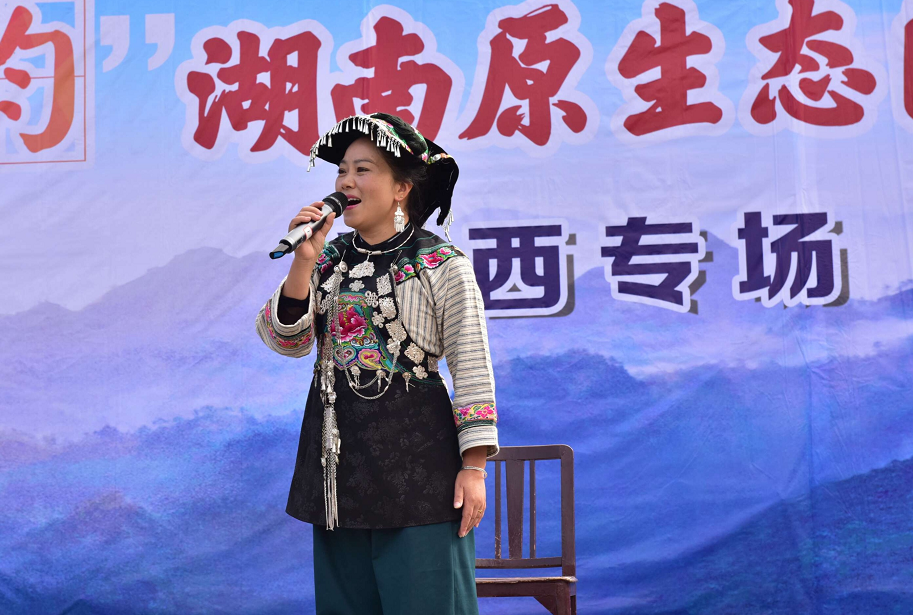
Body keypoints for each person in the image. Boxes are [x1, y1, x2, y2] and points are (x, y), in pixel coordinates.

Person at [255, 112, 499, 615]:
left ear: (401, 188)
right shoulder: (328, 259)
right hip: (339, 469)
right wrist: (303, 260)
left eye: (362, 170)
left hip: (420, 468)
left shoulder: (442, 265)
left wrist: (473, 468)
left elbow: (472, 365)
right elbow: (287, 341)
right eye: (341, 171)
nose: (346, 182)